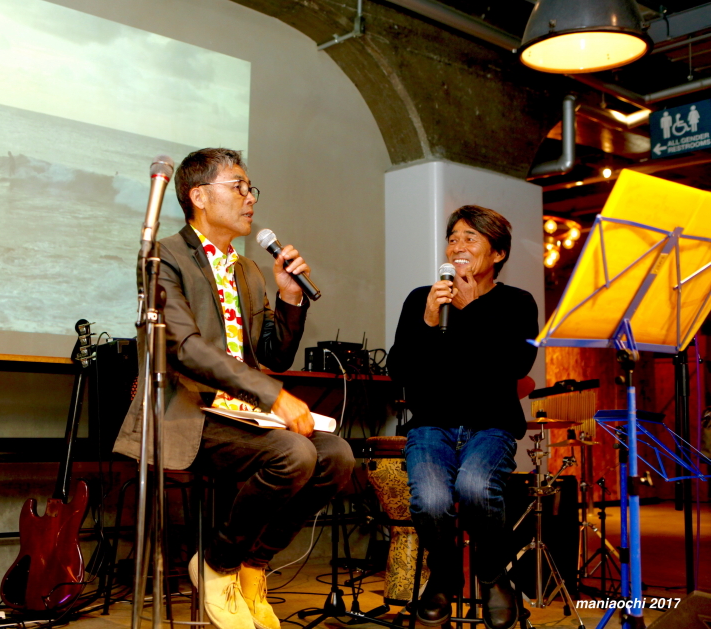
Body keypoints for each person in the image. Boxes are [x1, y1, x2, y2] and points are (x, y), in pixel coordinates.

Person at [114, 148, 354, 629]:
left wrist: (290, 298)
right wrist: (273, 396)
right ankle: (216, 564)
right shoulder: (163, 256)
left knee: (337, 456)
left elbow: (274, 356)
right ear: (199, 196)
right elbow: (184, 348)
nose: (250, 198)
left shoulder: (248, 270)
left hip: (244, 415)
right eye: (238, 186)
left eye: (250, 188)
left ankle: (251, 565)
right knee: (294, 454)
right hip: (187, 411)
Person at [388, 205, 538, 629]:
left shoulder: (517, 303)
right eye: (453, 238)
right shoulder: (422, 299)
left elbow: (516, 364)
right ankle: (444, 576)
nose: (458, 246)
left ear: (498, 253)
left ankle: (491, 575)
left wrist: (472, 311)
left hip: (491, 425)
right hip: (431, 425)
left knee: (475, 486)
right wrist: (427, 322)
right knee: (431, 500)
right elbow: (399, 370)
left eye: (471, 238)